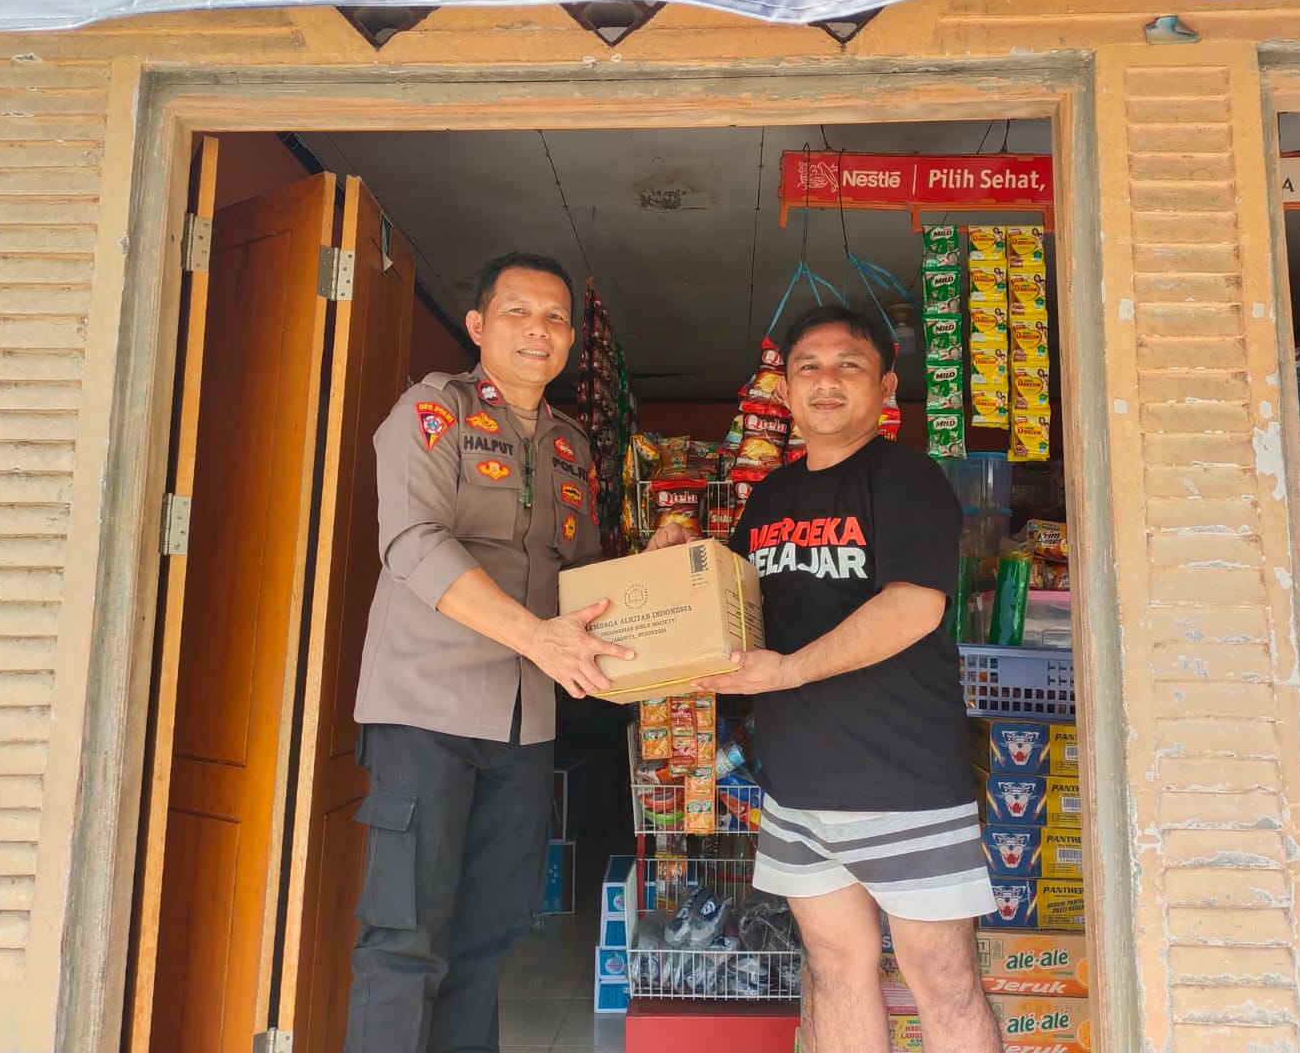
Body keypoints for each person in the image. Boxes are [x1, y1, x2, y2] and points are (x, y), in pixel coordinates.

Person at [654, 304, 1002, 1053]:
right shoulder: (770, 498)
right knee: (835, 970)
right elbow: (738, 613)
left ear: (886, 387)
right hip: (797, 788)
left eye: (849, 364)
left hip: (904, 781)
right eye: (807, 366)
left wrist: (787, 672)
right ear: (784, 392)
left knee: (942, 980)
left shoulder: (906, 478)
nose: (826, 380)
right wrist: (677, 562)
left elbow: (912, 607)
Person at [346, 252, 631, 1053]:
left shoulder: (572, 445)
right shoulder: (434, 410)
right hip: (426, 710)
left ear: (570, 339)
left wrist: (655, 568)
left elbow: (579, 580)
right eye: (518, 312)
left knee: (490, 934)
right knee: (404, 938)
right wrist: (535, 637)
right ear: (477, 325)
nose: (538, 330)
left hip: (523, 725)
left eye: (554, 318)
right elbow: (413, 540)